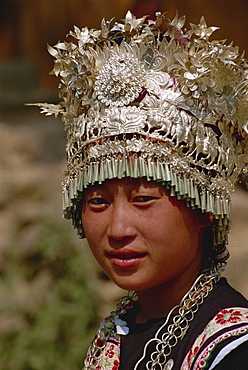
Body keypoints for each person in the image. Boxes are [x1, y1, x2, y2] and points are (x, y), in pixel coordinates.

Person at [35, 11, 248, 370]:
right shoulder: (113, 335)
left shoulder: (233, 350)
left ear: (205, 206)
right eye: (98, 201)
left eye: (144, 199)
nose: (118, 229)